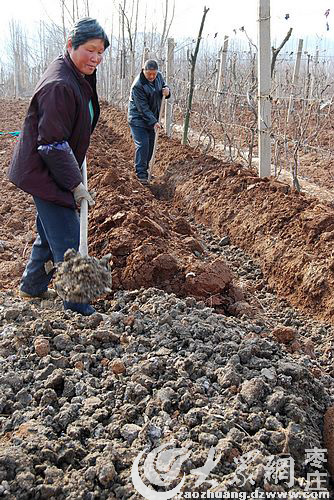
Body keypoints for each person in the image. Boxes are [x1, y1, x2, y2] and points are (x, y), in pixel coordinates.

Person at [7, 17, 110, 316]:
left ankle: (32, 286)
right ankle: (78, 307)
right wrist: (75, 185)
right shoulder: (60, 84)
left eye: (101, 52)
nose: (96, 58)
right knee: (67, 236)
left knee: (48, 229)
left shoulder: (77, 72)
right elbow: (51, 144)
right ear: (70, 45)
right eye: (90, 50)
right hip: (45, 171)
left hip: (54, 165)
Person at [128, 59, 170, 184]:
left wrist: (167, 90)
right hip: (138, 119)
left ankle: (145, 170)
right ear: (143, 71)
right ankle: (141, 174)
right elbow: (143, 109)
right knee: (143, 144)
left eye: (154, 74)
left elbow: (164, 87)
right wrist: (154, 122)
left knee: (151, 145)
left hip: (152, 118)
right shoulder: (138, 86)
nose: (152, 77)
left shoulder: (159, 77)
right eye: (149, 74)